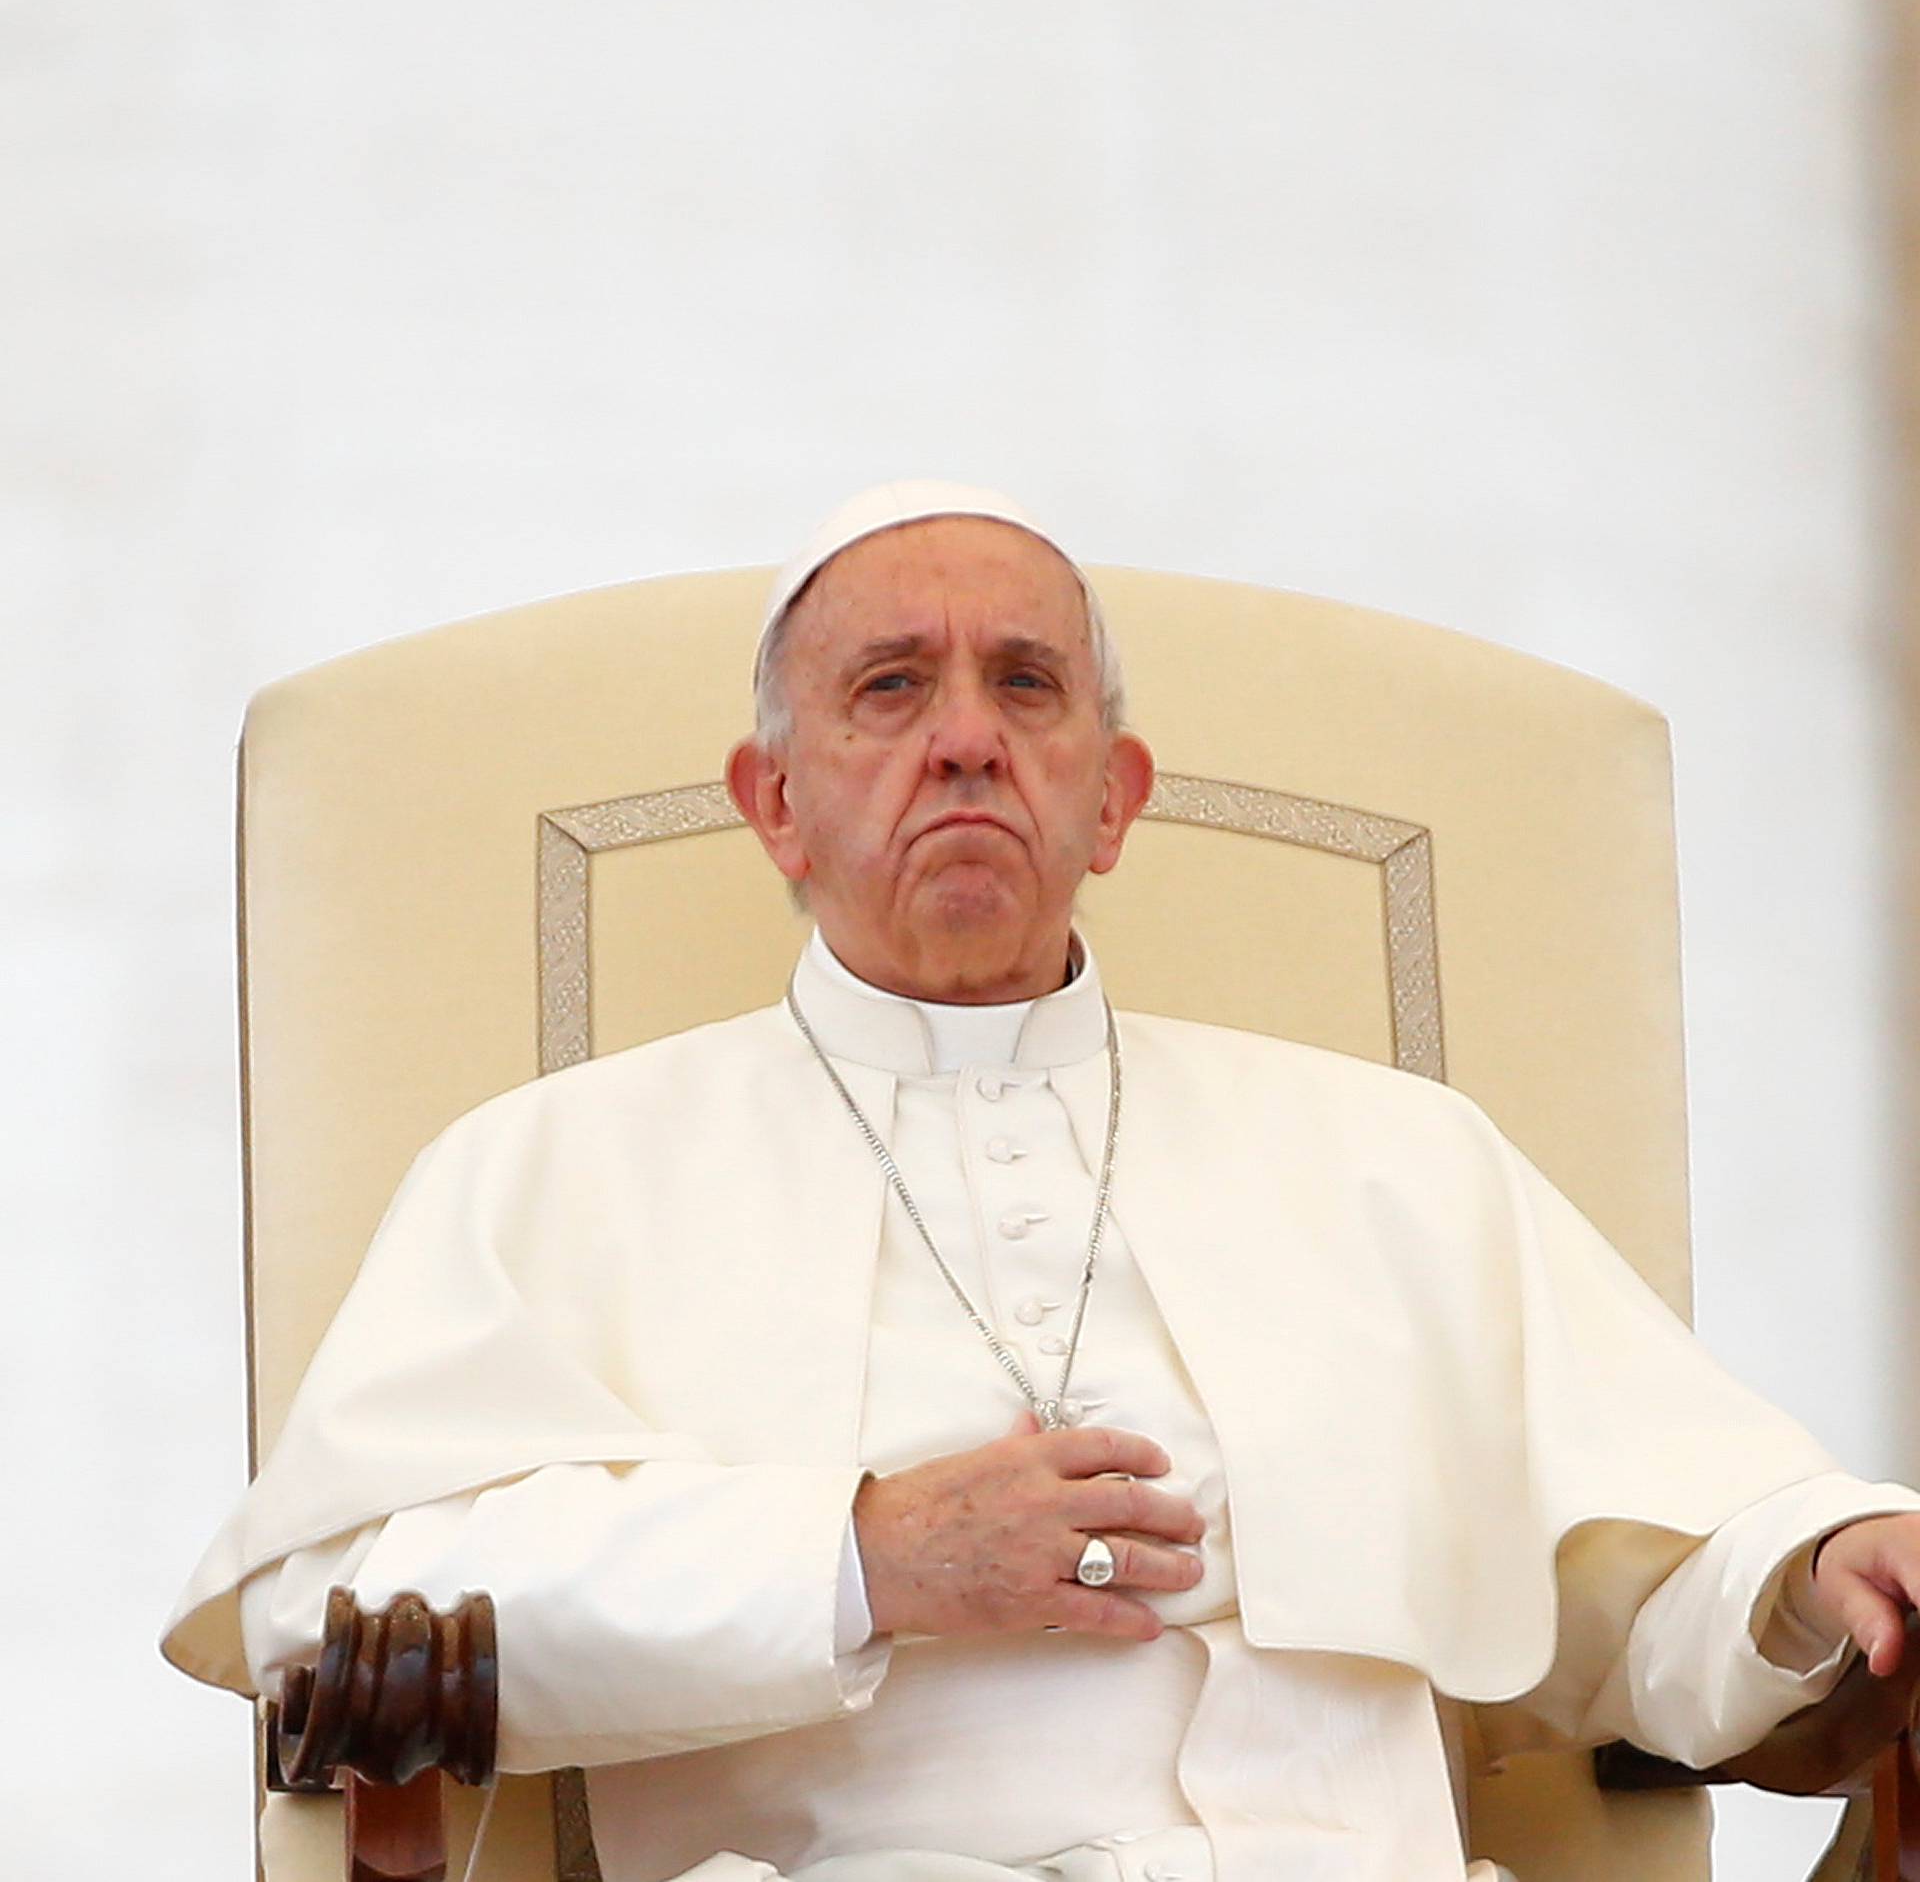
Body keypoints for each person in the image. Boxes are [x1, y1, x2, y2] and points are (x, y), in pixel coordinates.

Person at [165, 481, 1920, 1882]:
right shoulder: (555, 1166)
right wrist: (857, 1559)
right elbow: (339, 1621)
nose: (965, 738)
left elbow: (1642, 1585)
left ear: (1112, 795)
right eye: (888, 689)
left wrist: (1825, 1558)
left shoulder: (1398, 1155)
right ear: (772, 804)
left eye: (1026, 685)